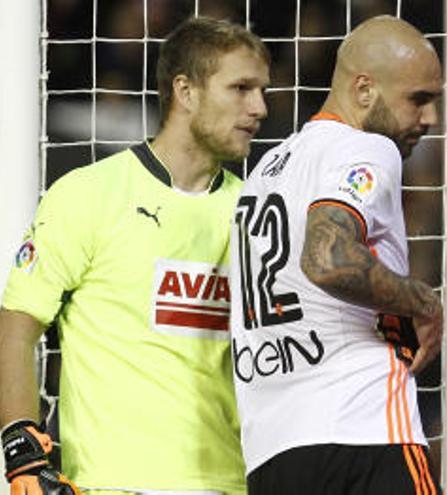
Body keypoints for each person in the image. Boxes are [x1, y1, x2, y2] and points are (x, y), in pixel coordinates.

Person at [0, 17, 269, 495]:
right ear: (185, 91)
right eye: (241, 88)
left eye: (262, 91)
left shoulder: (254, 214)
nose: (260, 108)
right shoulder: (88, 195)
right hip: (111, 483)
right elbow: (16, 326)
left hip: (229, 482)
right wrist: (22, 449)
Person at [229, 15, 443, 494]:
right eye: (418, 99)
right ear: (364, 90)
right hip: (365, 431)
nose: (430, 118)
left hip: (273, 454)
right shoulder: (368, 148)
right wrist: (424, 303)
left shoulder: (266, 171)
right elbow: (327, 257)